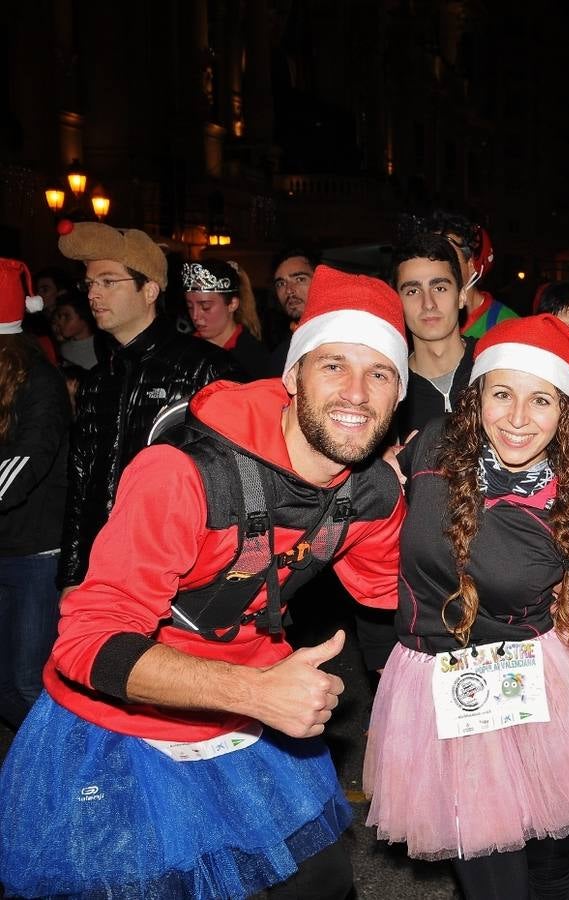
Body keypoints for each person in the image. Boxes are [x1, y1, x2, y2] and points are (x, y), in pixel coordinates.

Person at [0, 265, 410, 898]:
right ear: (294, 373)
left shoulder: (371, 492)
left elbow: (401, 596)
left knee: (321, 882)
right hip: (123, 729)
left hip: (247, 715)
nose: (356, 392)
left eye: (379, 372)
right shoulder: (183, 474)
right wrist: (254, 691)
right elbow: (85, 642)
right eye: (334, 365)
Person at [364, 314, 569, 898]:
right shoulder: (429, 449)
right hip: (437, 687)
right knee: (490, 878)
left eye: (542, 401)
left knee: (554, 868)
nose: (520, 420)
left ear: (566, 415)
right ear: (475, 401)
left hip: (535, 684)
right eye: (502, 394)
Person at [56, 223, 238, 592]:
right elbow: (79, 485)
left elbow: (234, 483)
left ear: (149, 290)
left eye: (108, 282)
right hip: (103, 570)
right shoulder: (97, 380)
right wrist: (72, 576)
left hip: (178, 572)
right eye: (90, 284)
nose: (94, 294)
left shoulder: (208, 368)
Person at [0, 262, 68, 729]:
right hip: (6, 544)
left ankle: (74, 776)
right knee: (4, 682)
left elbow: (27, 461)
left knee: (28, 680)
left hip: (35, 551)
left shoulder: (39, 380)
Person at [391, 232, 476, 439]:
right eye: (412, 291)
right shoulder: (390, 388)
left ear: (462, 296)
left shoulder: (492, 366)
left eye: (439, 288)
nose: (428, 303)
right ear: (396, 303)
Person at [184, 259, 272, 380]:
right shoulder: (184, 349)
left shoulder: (253, 357)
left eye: (205, 307)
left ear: (232, 304)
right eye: (189, 307)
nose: (195, 316)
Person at [267, 247, 320, 375]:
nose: (289, 290)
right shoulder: (280, 355)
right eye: (281, 284)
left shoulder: (343, 337)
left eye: (299, 279)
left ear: (320, 281)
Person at [50, 291, 99, 371]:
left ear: (83, 317)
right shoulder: (63, 350)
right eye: (59, 316)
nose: (60, 322)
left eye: (66, 316)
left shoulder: (101, 347)